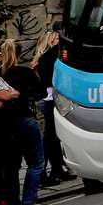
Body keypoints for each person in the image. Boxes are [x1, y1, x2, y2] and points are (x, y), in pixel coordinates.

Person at [1, 39, 53, 205]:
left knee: (13, 165)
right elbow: (42, 93)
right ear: (20, 52)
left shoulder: (0, 73)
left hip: (7, 123)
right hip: (25, 118)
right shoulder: (24, 72)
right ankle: (29, 202)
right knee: (36, 162)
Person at [32, 29, 74, 184]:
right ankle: (50, 170)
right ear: (51, 40)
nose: (59, 41)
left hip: (49, 97)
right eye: (57, 39)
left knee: (53, 136)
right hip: (51, 98)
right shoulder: (49, 57)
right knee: (51, 136)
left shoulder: (43, 58)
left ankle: (56, 168)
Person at [0, 65, 19, 205]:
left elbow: (14, 93)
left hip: (3, 130)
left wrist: (5, 96)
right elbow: (5, 94)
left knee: (4, 168)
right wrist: (3, 96)